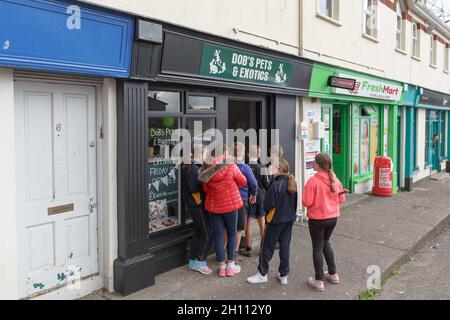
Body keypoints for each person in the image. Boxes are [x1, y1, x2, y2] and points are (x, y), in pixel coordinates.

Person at [198, 143, 247, 277]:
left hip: (215, 208)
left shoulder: (206, 169)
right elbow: (243, 182)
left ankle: (221, 267)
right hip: (231, 206)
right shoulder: (231, 165)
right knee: (231, 234)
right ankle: (230, 266)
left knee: (219, 236)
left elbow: (205, 189)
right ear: (224, 153)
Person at [247, 158, 298, 285]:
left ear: (280, 170)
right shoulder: (292, 183)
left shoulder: (275, 185)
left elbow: (267, 205)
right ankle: (283, 274)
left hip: (275, 221)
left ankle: (262, 273)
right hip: (289, 220)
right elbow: (295, 204)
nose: (269, 168)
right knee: (285, 247)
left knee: (266, 247)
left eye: (272, 167)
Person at [302, 153, 347, 292]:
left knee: (317, 247)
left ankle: (319, 280)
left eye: (314, 162)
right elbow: (341, 200)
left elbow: (306, 202)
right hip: (333, 218)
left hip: (317, 219)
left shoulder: (313, 181)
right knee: (325, 243)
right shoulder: (335, 180)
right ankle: (333, 274)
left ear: (318, 165)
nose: (313, 164)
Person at [182, 145, 213, 275]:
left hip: (193, 205)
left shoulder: (191, 167)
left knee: (198, 232)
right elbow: (193, 189)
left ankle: (193, 260)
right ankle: (200, 261)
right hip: (197, 206)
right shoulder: (195, 168)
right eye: (206, 153)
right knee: (208, 233)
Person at [241, 145, 271, 257]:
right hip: (261, 197)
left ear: (248, 154)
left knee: (248, 221)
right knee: (261, 221)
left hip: (248, 197)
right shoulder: (262, 167)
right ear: (258, 155)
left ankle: (247, 247)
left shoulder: (245, 167)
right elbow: (267, 184)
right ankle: (264, 247)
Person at [234, 142, 258, 257]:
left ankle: (225, 249)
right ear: (242, 153)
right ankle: (234, 252)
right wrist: (253, 193)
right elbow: (254, 184)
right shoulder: (244, 167)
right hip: (242, 200)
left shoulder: (228, 166)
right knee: (238, 228)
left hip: (229, 199)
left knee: (227, 227)